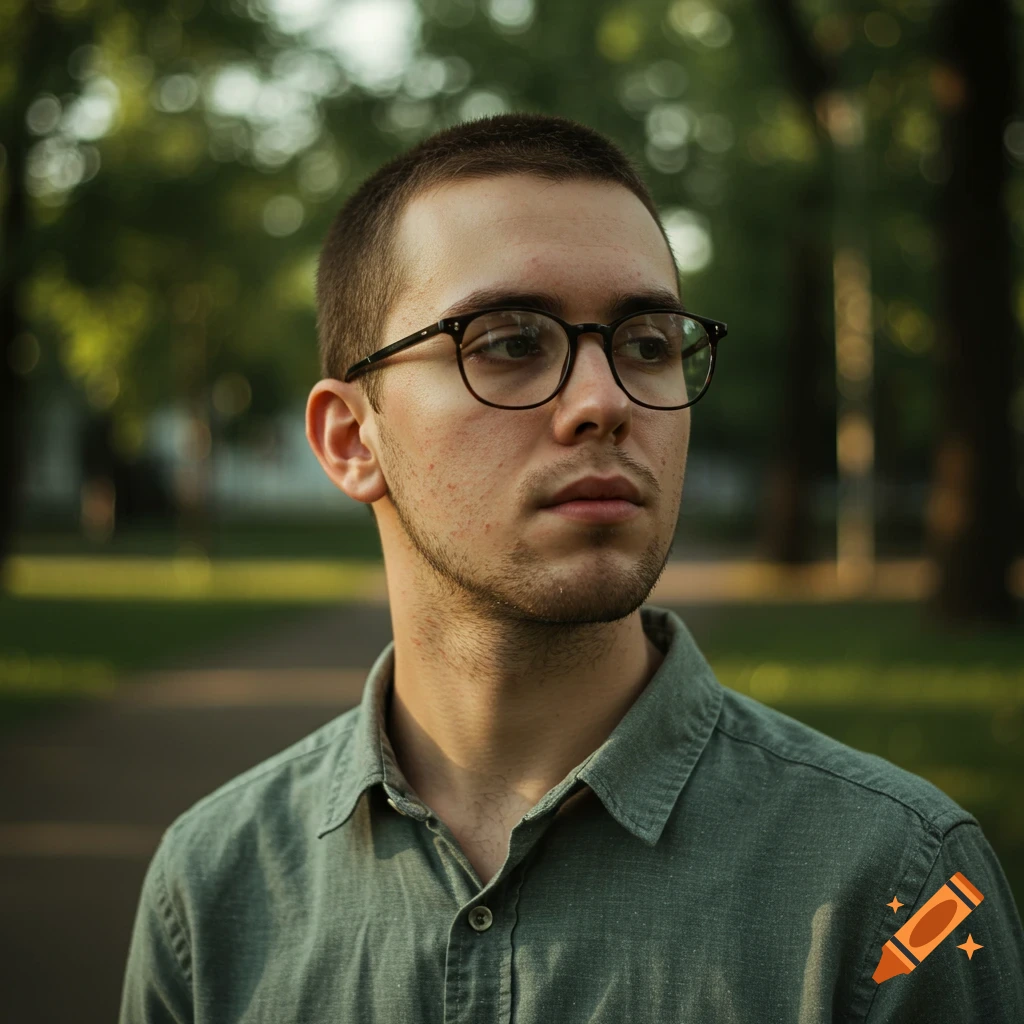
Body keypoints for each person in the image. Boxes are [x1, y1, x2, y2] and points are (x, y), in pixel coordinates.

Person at [119, 112, 1024, 1023]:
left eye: (648, 343)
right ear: (353, 439)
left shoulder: (903, 890)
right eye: (510, 341)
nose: (604, 402)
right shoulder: (212, 890)